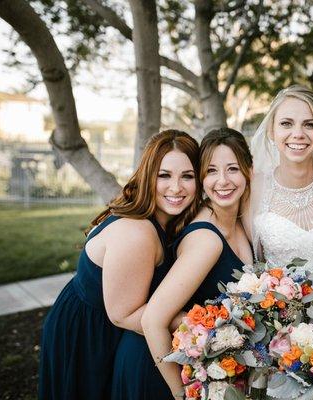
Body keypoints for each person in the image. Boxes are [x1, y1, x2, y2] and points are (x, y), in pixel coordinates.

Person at [38, 130, 199, 400]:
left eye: (187, 176)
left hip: (105, 327)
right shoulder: (136, 233)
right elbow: (123, 314)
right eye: (164, 175)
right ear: (147, 175)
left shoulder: (163, 219)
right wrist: (202, 326)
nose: (176, 187)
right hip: (87, 334)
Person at [140, 128, 254, 398]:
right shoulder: (206, 239)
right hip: (172, 375)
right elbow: (152, 320)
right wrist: (182, 393)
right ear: (201, 178)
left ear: (249, 171)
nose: (222, 181)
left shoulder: (240, 221)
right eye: (211, 171)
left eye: (233, 169)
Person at [249, 85, 313, 288]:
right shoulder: (253, 188)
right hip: (276, 312)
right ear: (271, 130)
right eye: (286, 123)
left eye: (309, 125)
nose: (298, 134)